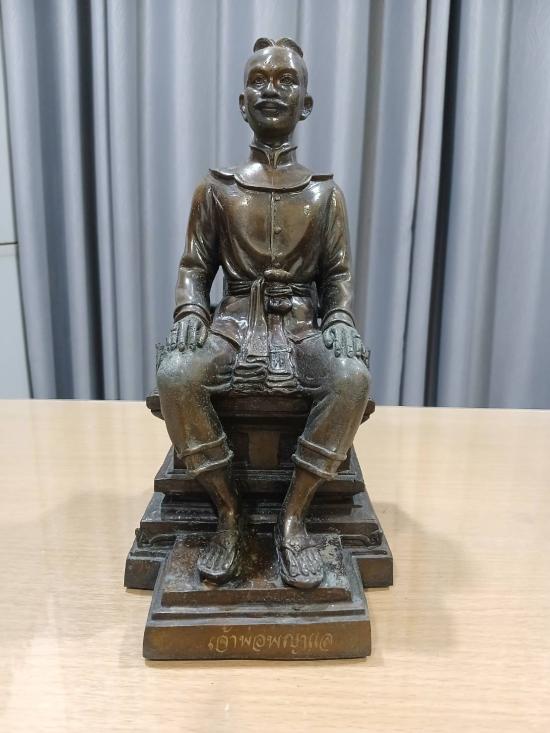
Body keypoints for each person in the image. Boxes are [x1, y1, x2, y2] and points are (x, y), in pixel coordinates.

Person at [157, 37, 371, 589]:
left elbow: (338, 278)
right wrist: (190, 311)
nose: (271, 90)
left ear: (306, 104)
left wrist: (340, 320)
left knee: (351, 379)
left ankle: (293, 516)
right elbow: (194, 268)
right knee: (175, 373)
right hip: (232, 327)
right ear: (241, 102)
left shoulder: (325, 195)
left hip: (300, 329)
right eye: (259, 81)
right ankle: (228, 511)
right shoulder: (216, 189)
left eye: (285, 81)